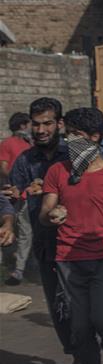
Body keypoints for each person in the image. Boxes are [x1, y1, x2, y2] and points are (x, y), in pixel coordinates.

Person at [39, 107, 103, 364]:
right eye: (69, 135)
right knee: (80, 325)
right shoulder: (57, 172)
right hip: (67, 257)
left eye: (76, 136)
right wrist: (52, 215)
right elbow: (44, 213)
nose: (69, 141)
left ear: (95, 137)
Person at [5, 99, 75, 364]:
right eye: (36, 124)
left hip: (79, 244)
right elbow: (11, 196)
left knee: (83, 305)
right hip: (45, 245)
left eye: (47, 123)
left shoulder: (72, 155)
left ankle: (97, 353)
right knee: (58, 306)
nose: (42, 129)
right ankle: (78, 358)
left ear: (59, 124)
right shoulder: (25, 160)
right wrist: (9, 221)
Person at [1, 112, 32, 286]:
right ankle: (18, 268)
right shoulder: (8, 144)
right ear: (22, 126)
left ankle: (23, 266)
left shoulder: (28, 144)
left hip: (29, 193)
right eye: (29, 125)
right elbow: (3, 167)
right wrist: (15, 182)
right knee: (21, 230)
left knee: (27, 231)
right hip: (13, 195)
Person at [0, 112, 31, 182]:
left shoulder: (31, 143)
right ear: (23, 126)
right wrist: (17, 180)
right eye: (31, 124)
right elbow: (3, 169)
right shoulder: (7, 143)